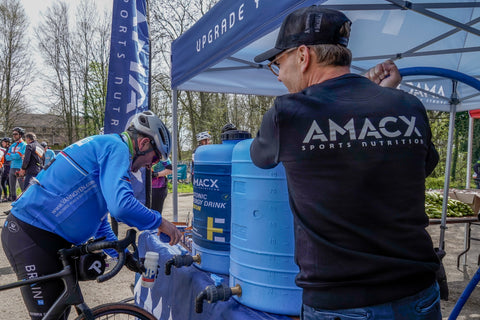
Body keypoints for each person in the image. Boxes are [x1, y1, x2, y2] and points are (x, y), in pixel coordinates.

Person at [250, 6, 440, 320]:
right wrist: (376, 97)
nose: (280, 74)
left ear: (302, 56)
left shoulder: (287, 115)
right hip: (418, 295)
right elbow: (417, 169)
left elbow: (260, 158)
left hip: (340, 304)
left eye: (277, 63)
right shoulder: (407, 105)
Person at [1, 111, 182, 320]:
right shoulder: (117, 148)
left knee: (61, 311)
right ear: (143, 144)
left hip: (45, 238)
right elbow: (121, 207)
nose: (153, 164)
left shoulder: (108, 146)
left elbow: (100, 220)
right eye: (156, 156)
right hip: (32, 236)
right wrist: (161, 222)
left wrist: (123, 256)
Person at [5, 127, 26, 201]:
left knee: (23, 188)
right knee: (12, 189)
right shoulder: (12, 145)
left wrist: (12, 156)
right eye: (13, 134)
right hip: (12, 168)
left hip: (20, 168)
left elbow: (18, 156)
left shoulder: (24, 145)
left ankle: (24, 206)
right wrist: (14, 156)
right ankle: (13, 207)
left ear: (20, 135)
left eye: (16, 134)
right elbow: (6, 157)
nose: (14, 135)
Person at [0, 137, 10, 202]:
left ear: (7, 143)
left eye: (3, 142)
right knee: (4, 182)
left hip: (8, 167)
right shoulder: (4, 149)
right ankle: (7, 196)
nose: (2, 143)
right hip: (5, 166)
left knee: (5, 183)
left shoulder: (7, 149)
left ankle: (7, 196)